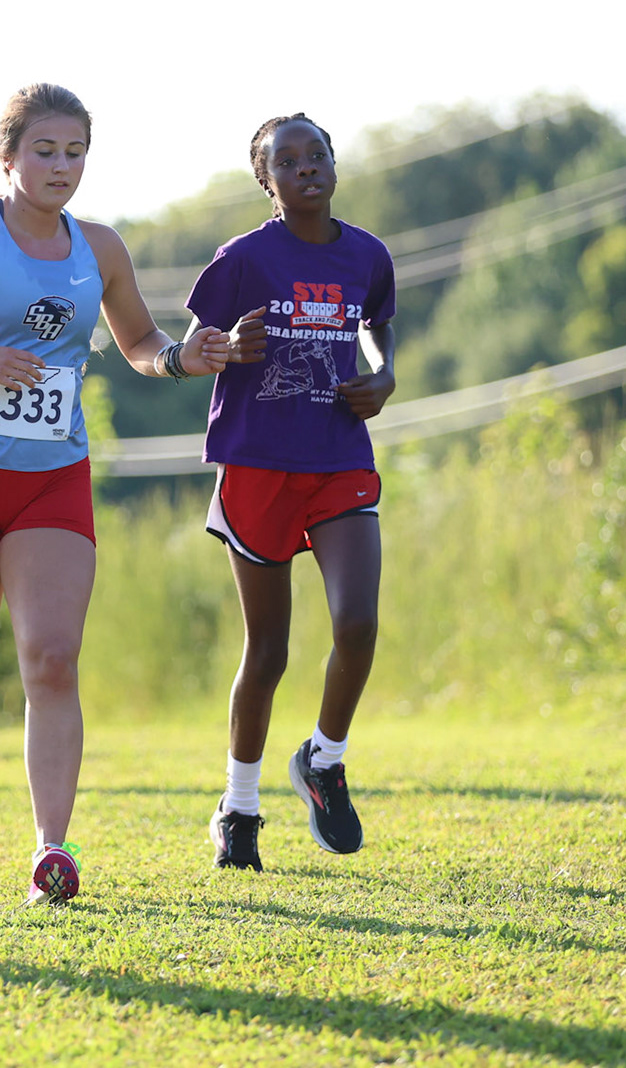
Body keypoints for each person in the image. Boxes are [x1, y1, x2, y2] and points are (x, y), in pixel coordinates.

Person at [0, 83, 251, 904]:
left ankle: (51, 851)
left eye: (75, 153)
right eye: (44, 150)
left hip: (52, 479)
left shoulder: (99, 247)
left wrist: (183, 358)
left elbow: (138, 340)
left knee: (53, 657)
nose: (61, 166)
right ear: (9, 157)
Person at [189, 113, 397, 874]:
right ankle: (238, 807)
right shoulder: (243, 259)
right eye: (287, 160)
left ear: (334, 164)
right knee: (269, 650)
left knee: (358, 622)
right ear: (265, 180)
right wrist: (226, 348)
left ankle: (324, 760)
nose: (306, 166)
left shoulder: (367, 254)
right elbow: (196, 345)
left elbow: (376, 326)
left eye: (318, 154)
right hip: (258, 466)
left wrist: (384, 375)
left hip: (338, 456)